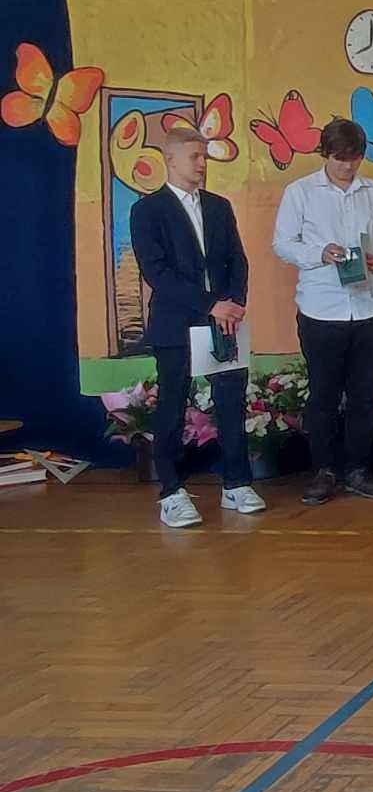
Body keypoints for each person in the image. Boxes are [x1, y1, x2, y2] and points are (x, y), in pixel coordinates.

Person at [128, 125, 263, 527]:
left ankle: (236, 483)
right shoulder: (148, 210)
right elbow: (156, 272)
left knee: (231, 400)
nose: (203, 163)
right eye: (195, 156)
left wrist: (233, 304)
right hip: (176, 322)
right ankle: (171, 491)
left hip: (224, 321)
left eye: (205, 156)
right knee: (172, 403)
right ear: (170, 160)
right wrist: (209, 304)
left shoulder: (219, 206)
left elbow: (237, 260)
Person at [273, 118, 373, 506]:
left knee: (365, 394)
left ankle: (358, 470)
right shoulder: (300, 192)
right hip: (321, 308)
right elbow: (282, 243)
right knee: (324, 395)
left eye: (355, 158)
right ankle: (324, 470)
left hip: (370, 307)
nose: (348, 166)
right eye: (340, 158)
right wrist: (320, 253)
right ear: (325, 154)